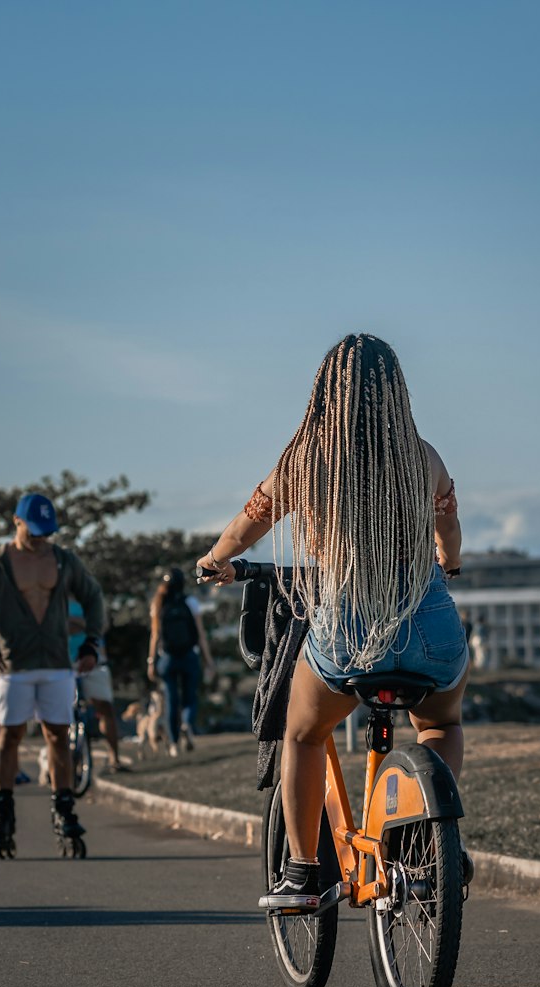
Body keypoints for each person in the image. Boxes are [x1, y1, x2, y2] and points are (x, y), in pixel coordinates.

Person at [195, 333, 470, 910]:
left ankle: (301, 871)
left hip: (349, 629)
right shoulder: (424, 456)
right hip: (429, 620)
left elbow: (250, 524)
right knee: (441, 723)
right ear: (396, 391)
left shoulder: (306, 460)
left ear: (327, 393)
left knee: (302, 733)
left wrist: (217, 560)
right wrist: (450, 562)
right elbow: (448, 532)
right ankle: (431, 842)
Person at [0, 492, 105, 847]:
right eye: (34, 531)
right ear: (16, 522)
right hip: (12, 664)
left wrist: (91, 643)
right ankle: (2, 808)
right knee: (10, 737)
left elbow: (94, 596)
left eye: (46, 532)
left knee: (58, 735)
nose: (40, 538)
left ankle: (64, 807)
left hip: (56, 664)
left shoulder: (63, 560)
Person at [147, 568, 215, 756]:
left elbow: (155, 636)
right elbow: (200, 635)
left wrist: (151, 661)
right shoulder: (190, 602)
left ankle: (174, 744)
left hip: (167, 658)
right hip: (189, 656)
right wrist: (208, 660)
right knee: (189, 698)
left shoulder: (158, 604)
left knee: (170, 700)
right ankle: (186, 724)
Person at [68, 599, 128, 772]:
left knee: (106, 709)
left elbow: (101, 626)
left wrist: (72, 622)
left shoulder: (91, 597)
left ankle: (114, 759)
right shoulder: (55, 597)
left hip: (96, 663)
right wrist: (87, 625)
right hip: (65, 663)